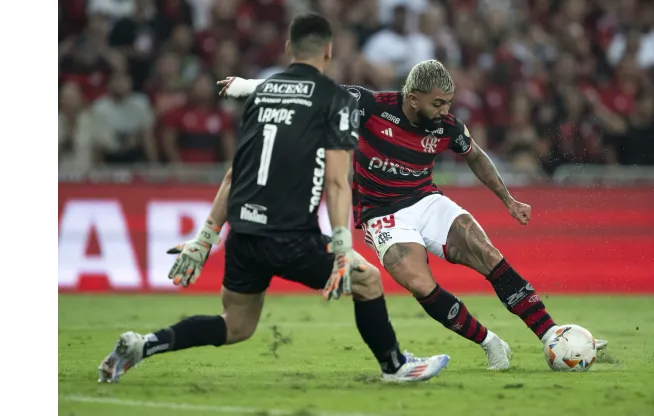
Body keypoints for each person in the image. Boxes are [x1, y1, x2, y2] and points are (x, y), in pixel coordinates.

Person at [97, 13, 450, 384]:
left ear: (287, 49)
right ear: (328, 51)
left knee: (235, 325)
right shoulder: (335, 100)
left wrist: (206, 239)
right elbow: (336, 181)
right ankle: (394, 365)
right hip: (291, 235)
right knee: (368, 281)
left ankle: (143, 345)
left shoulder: (260, 94)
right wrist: (343, 246)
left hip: (245, 233)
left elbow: (235, 173)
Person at [218, 60, 609, 371]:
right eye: (437, 103)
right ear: (413, 97)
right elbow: (313, 94)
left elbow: (475, 154)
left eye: (449, 104)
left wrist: (506, 199)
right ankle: (491, 343)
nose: (445, 111)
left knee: (488, 254)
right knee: (421, 285)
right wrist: (249, 86)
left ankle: (549, 334)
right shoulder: (371, 105)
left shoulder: (448, 126)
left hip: (426, 200)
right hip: (380, 213)